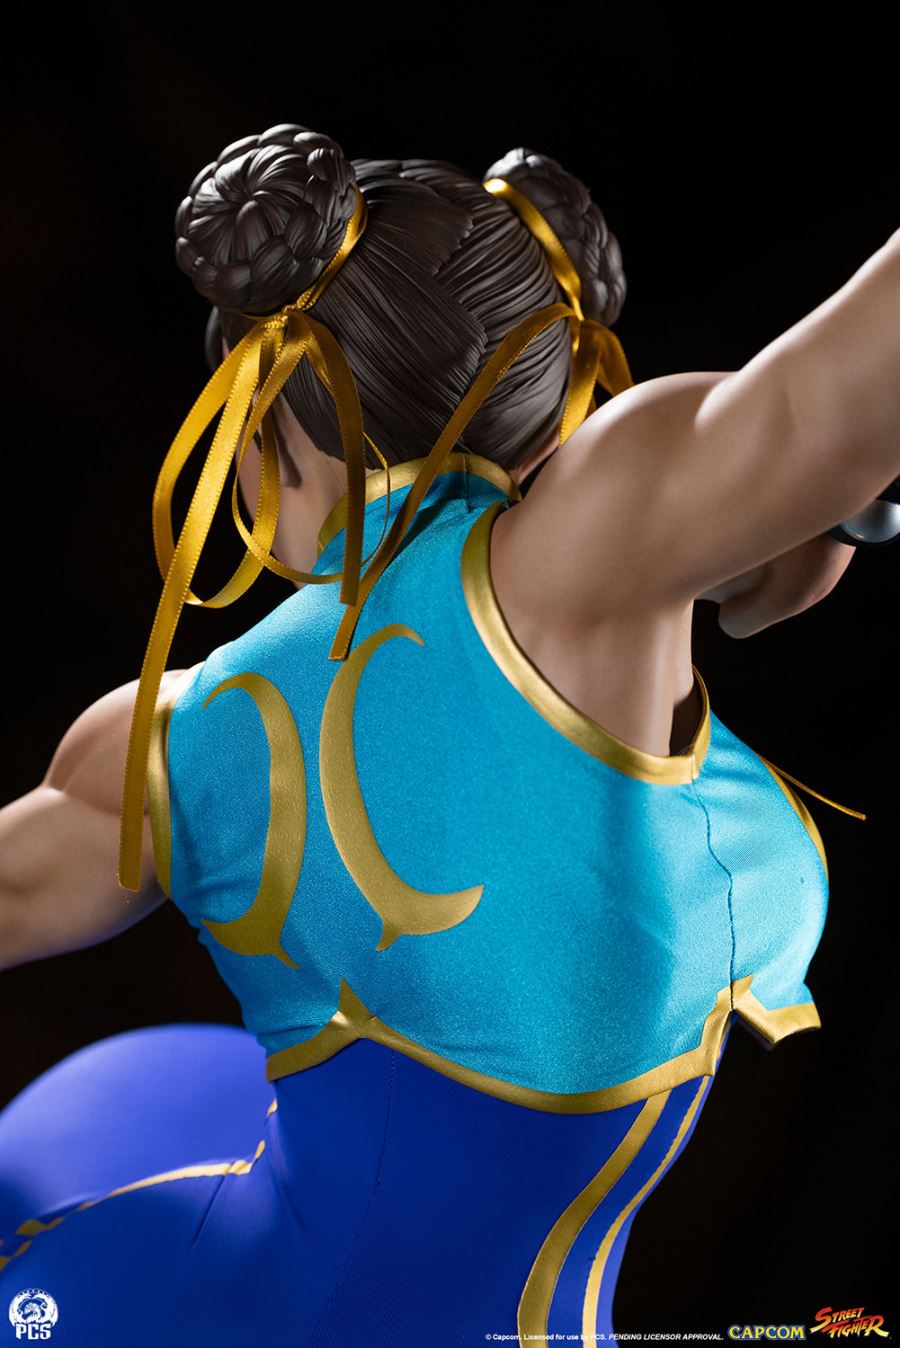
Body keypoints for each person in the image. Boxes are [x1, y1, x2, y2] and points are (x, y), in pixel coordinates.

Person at [0, 122, 897, 1347]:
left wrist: (795, 494)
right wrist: (814, 494)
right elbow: (817, 407)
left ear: (268, 417)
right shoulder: (580, 587)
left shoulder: (173, 728)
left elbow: (813, 414)